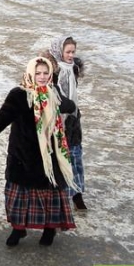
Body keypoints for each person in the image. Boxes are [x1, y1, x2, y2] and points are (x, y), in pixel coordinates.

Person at [0, 56, 77, 247]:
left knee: (50, 196)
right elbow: (3, 117)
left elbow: (69, 105)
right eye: (38, 73)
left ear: (51, 74)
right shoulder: (19, 94)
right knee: (19, 198)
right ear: (30, 73)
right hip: (23, 157)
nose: (41, 77)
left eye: (45, 73)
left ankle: (49, 230)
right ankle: (18, 230)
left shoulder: (53, 92)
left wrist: (66, 105)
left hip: (49, 157)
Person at [46, 36, 87, 211]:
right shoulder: (52, 72)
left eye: (73, 52)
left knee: (76, 156)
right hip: (57, 121)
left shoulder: (73, 69)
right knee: (61, 158)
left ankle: (78, 194)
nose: (71, 55)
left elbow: (73, 93)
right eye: (67, 52)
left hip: (73, 120)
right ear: (59, 52)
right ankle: (60, 196)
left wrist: (73, 111)